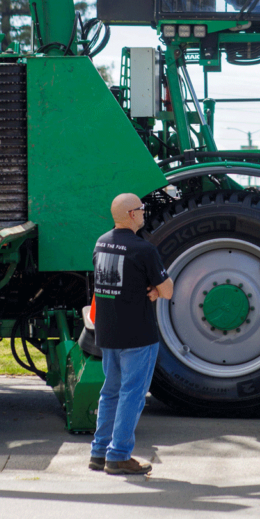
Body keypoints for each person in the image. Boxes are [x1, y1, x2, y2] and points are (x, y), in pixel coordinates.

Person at [89, 193, 173, 476]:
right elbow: (168, 290)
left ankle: (99, 452)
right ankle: (119, 455)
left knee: (110, 392)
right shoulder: (143, 249)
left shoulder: (101, 243)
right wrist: (154, 290)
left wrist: (148, 288)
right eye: (142, 209)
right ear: (131, 215)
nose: (144, 213)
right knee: (132, 395)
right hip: (138, 333)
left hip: (108, 332)